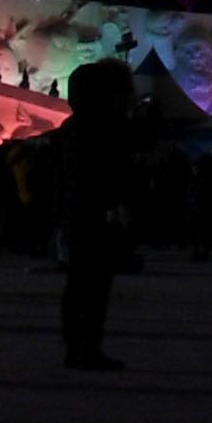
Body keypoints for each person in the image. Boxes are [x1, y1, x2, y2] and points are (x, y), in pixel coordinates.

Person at [53, 57, 140, 371]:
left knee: (78, 282)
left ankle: (76, 345)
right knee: (95, 283)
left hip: (76, 210)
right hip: (98, 212)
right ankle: (87, 346)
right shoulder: (110, 127)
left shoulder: (71, 128)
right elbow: (115, 172)